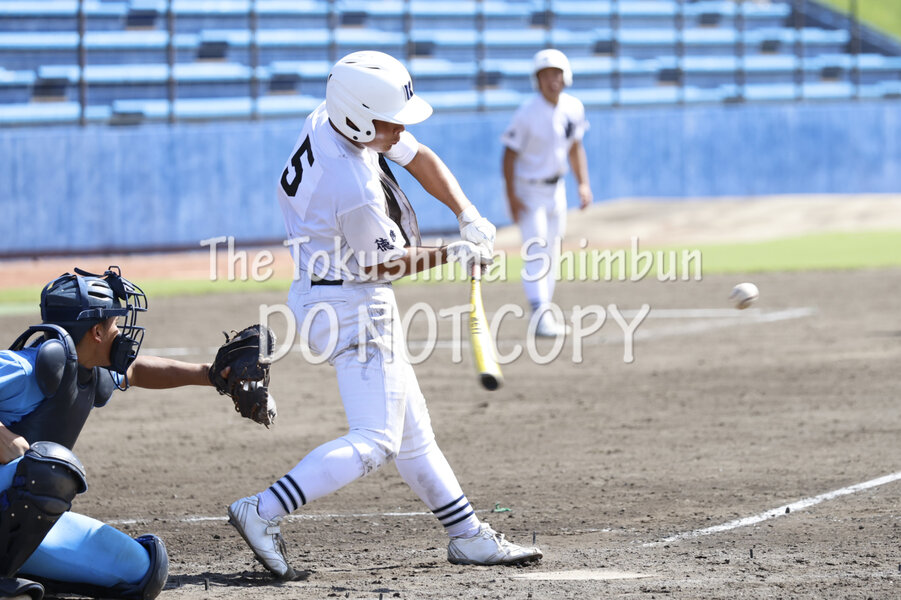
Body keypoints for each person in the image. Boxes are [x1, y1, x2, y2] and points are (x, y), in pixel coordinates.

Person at [226, 50, 542, 580]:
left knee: (414, 434)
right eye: (391, 122)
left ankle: (467, 535)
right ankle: (263, 509)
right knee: (377, 439)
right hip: (351, 305)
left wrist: (466, 213)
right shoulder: (353, 184)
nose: (401, 130)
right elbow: (380, 263)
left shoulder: (331, 118)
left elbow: (417, 156)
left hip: (327, 291)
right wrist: (453, 252)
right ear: (359, 118)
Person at [0, 267, 229, 600]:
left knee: (142, 570)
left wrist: (210, 375)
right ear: (96, 331)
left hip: (13, 519)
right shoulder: (26, 368)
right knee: (48, 470)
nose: (121, 332)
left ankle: (17, 573)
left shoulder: (84, 370)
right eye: (115, 323)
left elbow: (136, 371)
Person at [501, 48, 593, 337]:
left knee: (552, 251)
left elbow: (575, 147)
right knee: (536, 250)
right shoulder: (526, 113)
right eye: (545, 75)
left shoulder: (573, 107)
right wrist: (511, 196)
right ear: (537, 80)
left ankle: (544, 314)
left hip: (557, 189)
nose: (552, 80)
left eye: (556, 74)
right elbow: (509, 155)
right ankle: (541, 315)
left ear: (566, 77)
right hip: (529, 190)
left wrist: (583, 183)